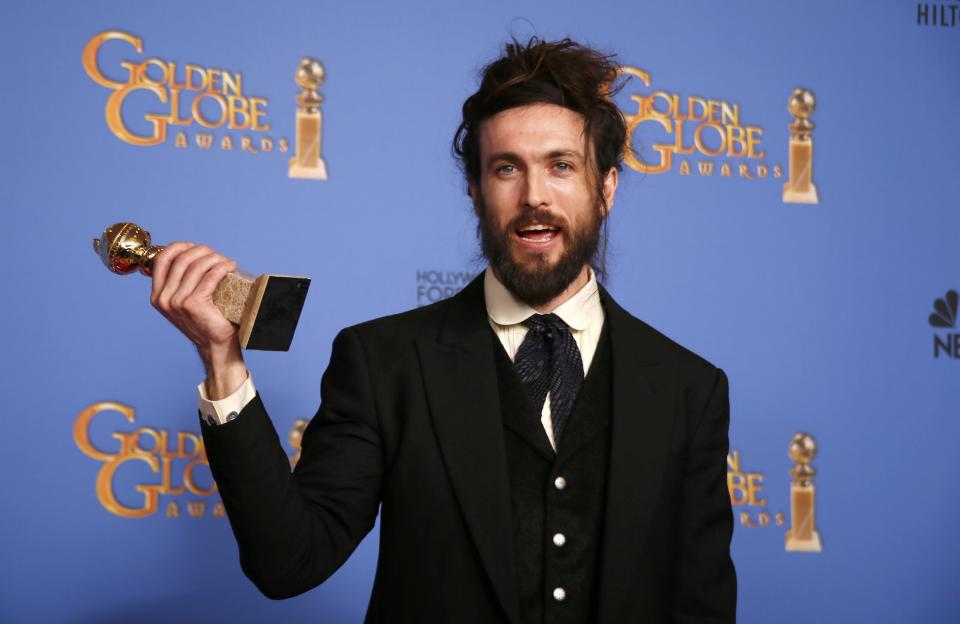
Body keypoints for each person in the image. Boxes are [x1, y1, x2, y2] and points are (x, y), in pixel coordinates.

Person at [150, 38, 736, 624]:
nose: (534, 197)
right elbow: (288, 563)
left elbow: (702, 608)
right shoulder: (384, 361)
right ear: (475, 192)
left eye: (562, 166)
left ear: (606, 187)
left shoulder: (689, 388)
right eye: (507, 168)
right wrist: (222, 361)